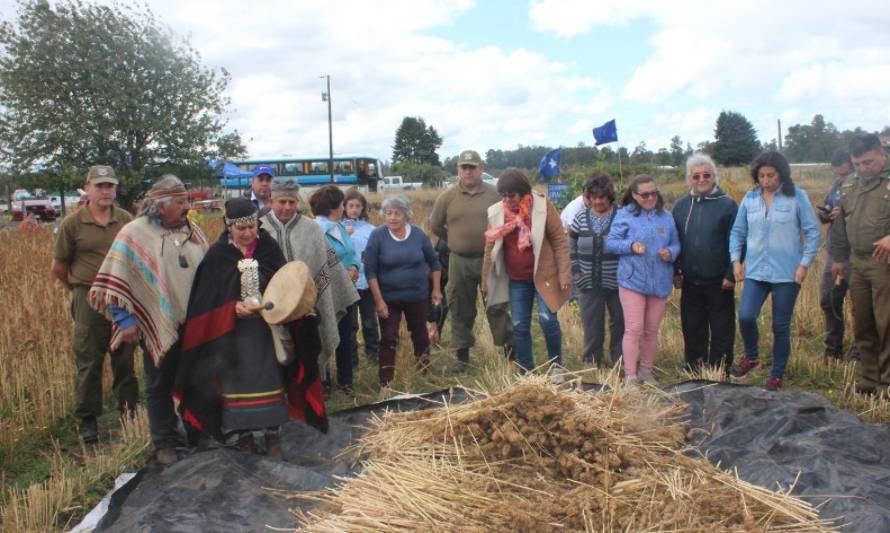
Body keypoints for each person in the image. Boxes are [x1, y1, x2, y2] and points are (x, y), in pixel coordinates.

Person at [175, 198, 326, 459]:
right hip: (230, 338)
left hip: (267, 334)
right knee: (235, 384)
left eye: (251, 227)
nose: (247, 234)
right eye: (240, 229)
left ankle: (272, 436)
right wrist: (231, 308)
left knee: (270, 378)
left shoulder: (268, 248)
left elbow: (285, 285)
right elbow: (206, 299)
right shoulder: (218, 255)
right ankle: (243, 438)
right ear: (228, 227)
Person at [90, 175, 208, 465]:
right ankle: (164, 441)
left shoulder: (193, 231)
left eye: (186, 200)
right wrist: (124, 319)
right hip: (158, 323)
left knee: (197, 380)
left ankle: (196, 432)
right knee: (160, 384)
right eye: (180, 201)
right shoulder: (135, 234)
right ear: (160, 205)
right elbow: (116, 281)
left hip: (194, 324)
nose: (186, 206)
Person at [51, 165, 137, 443]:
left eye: (110, 185)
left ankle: (129, 411)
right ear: (87, 188)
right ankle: (88, 419)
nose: (105, 190)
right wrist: (77, 291)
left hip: (121, 296)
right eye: (99, 185)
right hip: (87, 297)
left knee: (124, 357)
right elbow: (59, 266)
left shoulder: (126, 220)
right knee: (89, 360)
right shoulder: (72, 224)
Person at [730, 151, 820, 390]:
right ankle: (752, 356)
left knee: (780, 325)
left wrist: (804, 264)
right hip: (756, 271)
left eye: (771, 175)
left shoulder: (797, 196)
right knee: (746, 316)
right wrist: (736, 261)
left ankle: (776, 374)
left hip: (787, 274)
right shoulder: (750, 199)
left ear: (781, 174)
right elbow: (737, 232)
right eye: (762, 175)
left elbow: (812, 231)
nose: (766, 180)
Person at [260, 180, 359, 373]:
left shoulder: (311, 229)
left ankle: (313, 392)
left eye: (292, 202)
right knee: (274, 355)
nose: (287, 207)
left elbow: (325, 265)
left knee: (309, 354)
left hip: (307, 309)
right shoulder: (259, 229)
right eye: (282, 202)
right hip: (271, 306)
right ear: (271, 200)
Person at [482, 168, 571, 371]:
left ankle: (556, 367)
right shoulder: (496, 212)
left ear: (524, 192)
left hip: (544, 275)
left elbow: (559, 240)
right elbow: (489, 246)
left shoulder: (542, 206)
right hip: (516, 278)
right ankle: (526, 370)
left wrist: (564, 273)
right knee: (520, 324)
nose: (507, 200)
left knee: (547, 320)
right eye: (503, 196)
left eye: (511, 195)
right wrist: (485, 279)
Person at [430, 149, 512, 370]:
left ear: (481, 169)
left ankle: (510, 354)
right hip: (459, 261)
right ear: (458, 170)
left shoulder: (495, 195)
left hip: (491, 260)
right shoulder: (447, 197)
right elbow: (436, 225)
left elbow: (509, 222)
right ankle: (462, 357)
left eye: (472, 167)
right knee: (459, 307)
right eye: (463, 167)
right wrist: (455, 239)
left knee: (497, 304)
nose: (467, 171)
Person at [829, 134, 890, 394]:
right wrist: (839, 258)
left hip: (883, 263)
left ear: (882, 154)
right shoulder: (850, 185)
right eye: (858, 163)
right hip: (857, 261)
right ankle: (869, 379)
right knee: (862, 320)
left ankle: (887, 382)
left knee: (886, 322)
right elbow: (841, 223)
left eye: (868, 162)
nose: (863, 168)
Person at [605, 175, 680, 386]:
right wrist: (630, 246)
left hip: (660, 281)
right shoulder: (624, 215)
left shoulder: (666, 216)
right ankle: (630, 376)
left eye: (653, 193)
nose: (650, 197)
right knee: (634, 328)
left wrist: (671, 252)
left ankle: (646, 371)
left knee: (651, 330)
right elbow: (611, 244)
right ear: (635, 196)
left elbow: (676, 243)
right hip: (632, 280)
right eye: (645, 194)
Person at [672, 153, 738, 373]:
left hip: (719, 280)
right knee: (692, 327)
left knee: (722, 328)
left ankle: (720, 369)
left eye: (706, 175)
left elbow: (737, 241)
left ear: (714, 177)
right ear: (689, 179)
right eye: (696, 176)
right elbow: (674, 240)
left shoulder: (727, 205)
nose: (701, 179)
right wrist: (675, 270)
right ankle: (695, 368)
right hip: (690, 279)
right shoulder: (681, 206)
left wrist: (731, 273)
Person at [365, 195, 442, 385]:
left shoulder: (418, 234)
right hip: (389, 298)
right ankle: (386, 382)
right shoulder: (377, 236)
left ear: (406, 215)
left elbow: (434, 262)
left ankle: (424, 373)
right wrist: (379, 301)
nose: (391, 217)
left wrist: (436, 289)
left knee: (421, 335)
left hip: (417, 295)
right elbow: (370, 270)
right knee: (389, 338)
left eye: (396, 213)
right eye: (388, 213)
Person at [309, 185, 360, 394]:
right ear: (333, 206)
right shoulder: (315, 230)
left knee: (346, 336)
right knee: (325, 335)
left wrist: (355, 267)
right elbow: (316, 261)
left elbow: (351, 251)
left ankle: (345, 381)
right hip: (326, 292)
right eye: (341, 204)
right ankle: (325, 382)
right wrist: (340, 274)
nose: (344, 208)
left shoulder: (339, 227)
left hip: (346, 289)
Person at [568, 172, 623, 367]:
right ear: (588, 198)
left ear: (609, 196)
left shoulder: (622, 216)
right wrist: (575, 268)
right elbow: (571, 243)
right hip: (587, 280)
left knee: (619, 324)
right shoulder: (580, 217)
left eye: (602, 197)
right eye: (594, 197)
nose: (598, 201)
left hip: (618, 281)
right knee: (592, 324)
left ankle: (620, 361)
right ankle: (591, 361)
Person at [818, 150, 856, 360]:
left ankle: (860, 351)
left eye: (844, 174)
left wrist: (843, 214)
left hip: (857, 252)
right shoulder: (835, 186)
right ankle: (833, 349)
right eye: (837, 174)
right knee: (828, 299)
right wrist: (825, 214)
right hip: (834, 251)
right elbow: (825, 211)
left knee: (860, 305)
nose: (841, 179)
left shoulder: (862, 187)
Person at [343, 187, 380, 363]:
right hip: (347, 283)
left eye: (358, 206)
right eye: (351, 205)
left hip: (366, 282)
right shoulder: (337, 228)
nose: (354, 209)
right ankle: (352, 358)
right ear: (344, 207)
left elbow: (374, 253)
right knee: (350, 324)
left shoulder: (371, 229)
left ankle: (373, 354)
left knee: (370, 321)